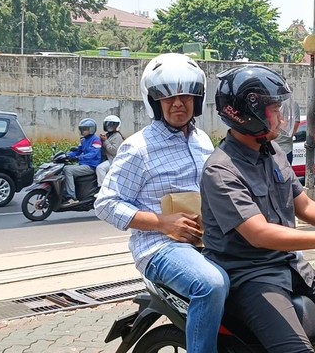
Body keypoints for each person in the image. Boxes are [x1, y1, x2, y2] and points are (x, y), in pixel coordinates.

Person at [200, 64, 315, 353]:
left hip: (292, 265)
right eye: (274, 110)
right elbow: (258, 233)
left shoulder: (272, 152)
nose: (281, 117)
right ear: (247, 113)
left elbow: (303, 205)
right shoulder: (220, 170)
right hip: (252, 276)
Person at [94, 53, 229, 353]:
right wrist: (160, 223)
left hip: (204, 242)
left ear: (197, 98)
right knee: (211, 285)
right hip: (158, 248)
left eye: (185, 95)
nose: (178, 103)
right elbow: (106, 203)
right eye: (168, 97)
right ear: (154, 102)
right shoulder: (138, 148)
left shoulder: (202, 141)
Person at [62, 118, 101, 206]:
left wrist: (79, 157)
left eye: (85, 129)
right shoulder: (83, 140)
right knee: (62, 169)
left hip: (91, 166)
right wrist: (67, 155)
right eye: (82, 129)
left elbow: (93, 153)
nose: (83, 131)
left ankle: (71, 197)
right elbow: (78, 151)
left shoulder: (96, 140)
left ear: (91, 129)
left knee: (68, 170)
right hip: (83, 164)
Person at [95, 115, 124, 187]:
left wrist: (105, 141)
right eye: (108, 124)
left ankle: (102, 188)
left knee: (100, 168)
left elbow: (113, 151)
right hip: (105, 158)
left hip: (112, 159)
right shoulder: (108, 135)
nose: (109, 126)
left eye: (112, 125)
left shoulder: (117, 136)